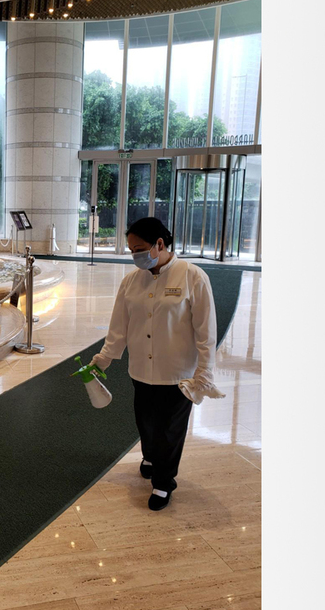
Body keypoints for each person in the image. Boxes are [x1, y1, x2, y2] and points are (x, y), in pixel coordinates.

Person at [91, 217, 224, 511]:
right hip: (141, 370)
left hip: (178, 373)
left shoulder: (193, 277)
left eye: (139, 249)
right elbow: (119, 327)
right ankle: (150, 456)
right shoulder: (131, 281)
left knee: (170, 430)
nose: (135, 256)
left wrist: (205, 372)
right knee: (146, 422)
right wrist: (104, 358)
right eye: (131, 250)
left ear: (159, 244)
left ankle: (163, 483)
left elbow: (206, 331)